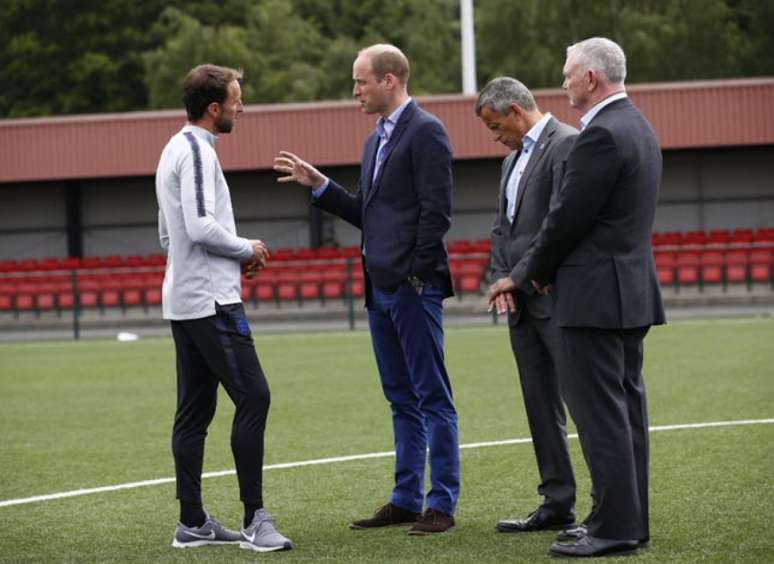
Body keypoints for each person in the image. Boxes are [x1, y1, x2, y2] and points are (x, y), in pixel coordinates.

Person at [273, 44, 459, 535]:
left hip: (411, 288)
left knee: (431, 395)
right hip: (379, 290)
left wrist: (415, 277)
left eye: (360, 81)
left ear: (390, 81)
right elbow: (369, 215)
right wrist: (320, 186)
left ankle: (440, 502)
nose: (354, 90)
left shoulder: (427, 132)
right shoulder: (374, 140)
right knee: (400, 397)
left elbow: (436, 214)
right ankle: (405, 499)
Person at [491, 37, 665, 558]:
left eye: (568, 74)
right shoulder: (640, 127)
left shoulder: (601, 136)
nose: (563, 82)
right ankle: (626, 521)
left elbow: (565, 219)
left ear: (591, 78)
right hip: (626, 293)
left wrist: (527, 275)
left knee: (602, 418)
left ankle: (613, 528)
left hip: (592, 297)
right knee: (626, 414)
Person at [155, 63, 292, 552]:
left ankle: (192, 522)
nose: (242, 106)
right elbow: (197, 228)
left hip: (186, 298)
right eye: (237, 99)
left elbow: (168, 236)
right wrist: (245, 249)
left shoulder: (173, 147)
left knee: (194, 411)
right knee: (254, 397)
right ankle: (255, 519)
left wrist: (231, 260)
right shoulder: (195, 151)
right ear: (214, 108)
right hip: (211, 303)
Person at [474, 77, 579, 533]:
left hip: (556, 298)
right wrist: (504, 280)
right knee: (539, 406)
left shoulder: (567, 144)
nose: (496, 137)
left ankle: (606, 510)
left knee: (584, 405)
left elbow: (560, 224)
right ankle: (556, 502)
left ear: (516, 111)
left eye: (497, 127)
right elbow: (503, 229)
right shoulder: (510, 162)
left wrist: (521, 277)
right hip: (520, 304)